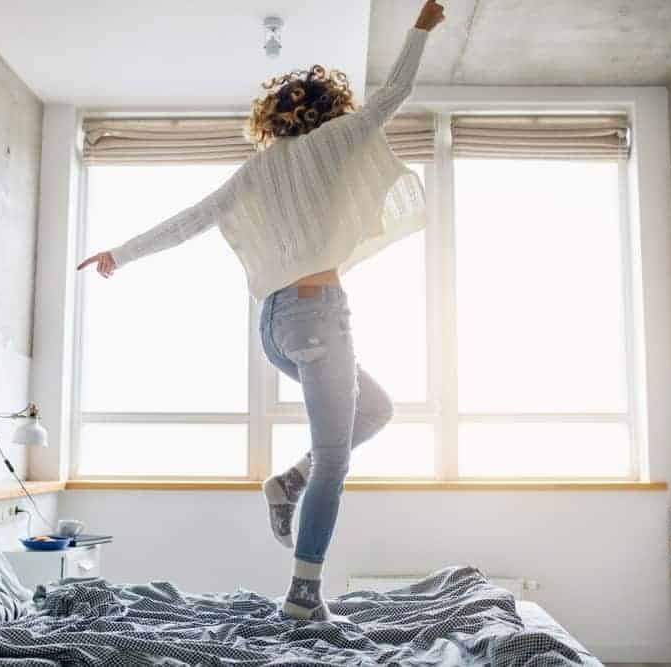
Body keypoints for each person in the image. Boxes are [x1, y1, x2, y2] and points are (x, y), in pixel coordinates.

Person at [78, 1, 445, 621]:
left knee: (377, 408)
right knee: (338, 458)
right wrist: (421, 28)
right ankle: (303, 597)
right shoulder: (337, 142)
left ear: (274, 117)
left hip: (276, 327)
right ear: (330, 111)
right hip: (318, 315)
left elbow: (189, 221)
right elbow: (396, 93)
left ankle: (290, 482)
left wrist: (121, 253)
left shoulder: (254, 172)